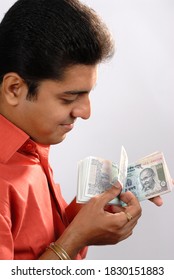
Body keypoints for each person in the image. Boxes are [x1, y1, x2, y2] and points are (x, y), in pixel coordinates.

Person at [0, 0, 161, 260]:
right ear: (14, 89)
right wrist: (76, 238)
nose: (86, 112)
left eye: (87, 95)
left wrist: (87, 213)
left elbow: (37, 241)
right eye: (68, 98)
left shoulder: (31, 144)